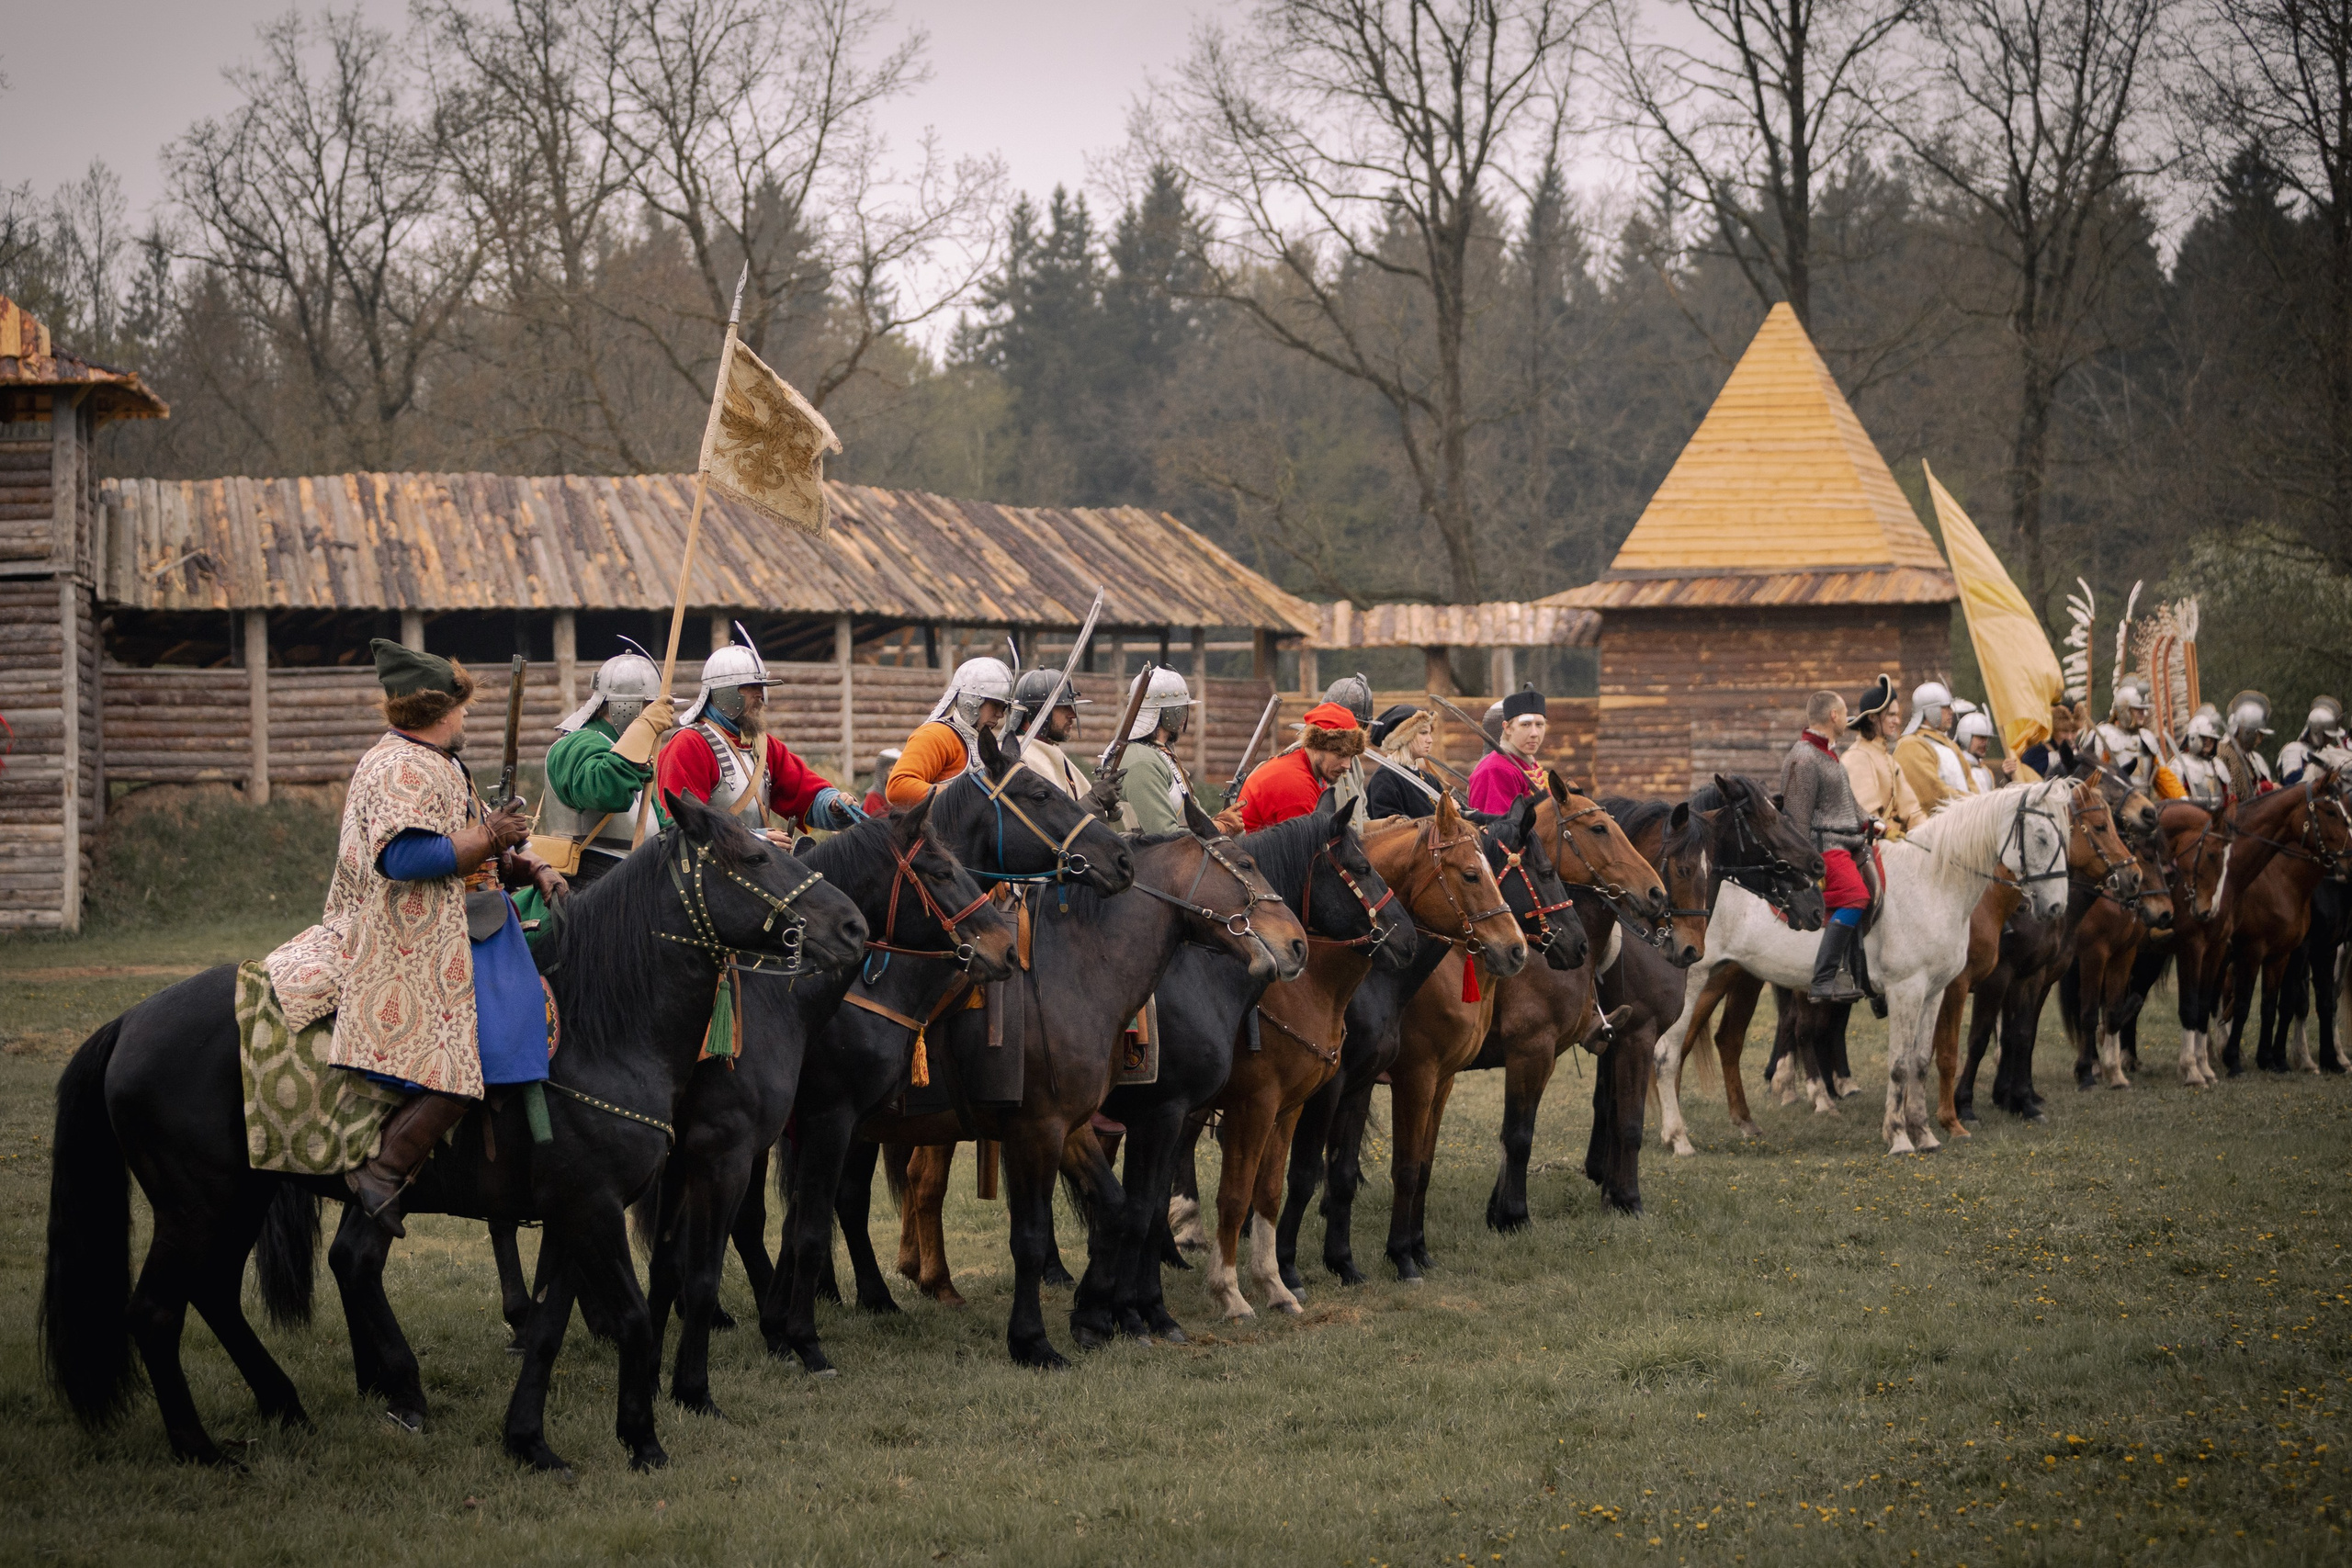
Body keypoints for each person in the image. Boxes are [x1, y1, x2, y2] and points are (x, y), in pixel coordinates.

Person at [265, 639, 564, 1237]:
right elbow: (405, 856)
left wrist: (523, 864)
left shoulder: (437, 761)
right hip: (403, 929)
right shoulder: (399, 765)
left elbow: (468, 851)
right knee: (474, 1044)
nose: (465, 717)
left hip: (455, 917)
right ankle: (383, 1171)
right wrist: (488, 833)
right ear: (434, 709)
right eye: (459, 707)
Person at [657, 626, 862, 837]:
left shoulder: (763, 746)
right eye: (750, 686)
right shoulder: (689, 745)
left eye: (761, 687)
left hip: (755, 865)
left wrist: (833, 804)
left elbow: (803, 792)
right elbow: (684, 829)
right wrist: (757, 838)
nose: (760, 695)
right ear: (724, 692)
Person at [525, 642, 673, 910]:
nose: (657, 719)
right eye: (648, 707)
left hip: (634, 878)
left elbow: (662, 827)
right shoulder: (578, 743)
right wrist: (644, 728)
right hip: (587, 885)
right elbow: (605, 791)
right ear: (626, 707)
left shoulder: (629, 752)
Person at [1779, 690, 1871, 1001]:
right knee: (1857, 896)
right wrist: (1805, 866)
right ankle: (1823, 979)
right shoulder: (1804, 758)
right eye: (1844, 713)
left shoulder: (1829, 755)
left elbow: (1846, 806)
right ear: (1833, 716)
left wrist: (1871, 822)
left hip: (1846, 841)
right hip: (1824, 847)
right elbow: (1797, 818)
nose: (1848, 719)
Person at [887, 657, 1015, 807]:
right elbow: (898, 787)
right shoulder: (936, 735)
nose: (1000, 714)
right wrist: (958, 797)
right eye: (995, 704)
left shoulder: (979, 740)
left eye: (1004, 708)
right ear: (972, 700)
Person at [1010, 668, 1121, 815]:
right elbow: (1050, 822)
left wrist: (1102, 808)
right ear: (1039, 710)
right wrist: (1095, 801)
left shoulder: (1048, 750)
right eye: (1063, 707)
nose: (1072, 715)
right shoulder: (1019, 756)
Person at [1237, 703, 1365, 829]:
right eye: (1340, 754)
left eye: (1352, 756)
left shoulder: (1307, 767)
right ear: (1316, 745)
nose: (1347, 765)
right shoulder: (1296, 785)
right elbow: (1307, 848)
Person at [1116, 667, 1204, 834]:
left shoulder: (1159, 753)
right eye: (1182, 708)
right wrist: (1218, 829)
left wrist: (1219, 824)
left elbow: (1195, 815)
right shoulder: (1142, 761)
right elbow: (1163, 834)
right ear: (1174, 713)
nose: (1185, 714)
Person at [1841, 674, 1928, 838]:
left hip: (1897, 845)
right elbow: (1867, 818)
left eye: (1897, 714)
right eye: (1891, 715)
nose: (1897, 720)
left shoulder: (1888, 759)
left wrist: (1931, 836)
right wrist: (1889, 835)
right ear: (1873, 717)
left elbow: (1912, 811)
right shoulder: (1856, 757)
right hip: (1873, 850)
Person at [1894, 680, 1974, 810]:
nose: (1951, 712)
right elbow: (1933, 793)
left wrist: (1978, 804)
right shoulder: (1911, 745)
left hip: (1963, 821)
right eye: (1945, 707)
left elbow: (1970, 783)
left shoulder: (1950, 745)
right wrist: (1971, 803)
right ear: (1929, 711)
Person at [1467, 685, 1548, 813]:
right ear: (1507, 728)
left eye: (1539, 725)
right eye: (1525, 725)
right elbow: (1499, 829)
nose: (1534, 733)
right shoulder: (1496, 770)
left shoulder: (1527, 761)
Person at [1363, 704, 1442, 819]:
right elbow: (1393, 830)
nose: (1430, 740)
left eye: (1430, 733)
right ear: (1404, 738)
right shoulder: (1385, 779)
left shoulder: (1429, 780)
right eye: (1423, 733)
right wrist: (1442, 816)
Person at [2218, 690, 2276, 801]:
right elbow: (2231, 793)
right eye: (2259, 734)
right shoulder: (2223, 753)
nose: (2261, 739)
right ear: (2248, 732)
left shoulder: (2249, 757)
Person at [2277, 697, 2346, 784]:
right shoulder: (2293, 750)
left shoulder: (2329, 750)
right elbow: (2293, 782)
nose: (2331, 739)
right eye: (2328, 735)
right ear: (2317, 732)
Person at [2174, 708, 2226, 807]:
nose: (2208, 741)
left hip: (2218, 818)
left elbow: (2227, 797)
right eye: (2203, 737)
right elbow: (2175, 800)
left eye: (2212, 738)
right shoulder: (2179, 763)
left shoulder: (2218, 765)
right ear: (2193, 737)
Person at [2021, 702, 2082, 780]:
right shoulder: (2035, 755)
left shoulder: (2079, 752)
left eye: (2074, 731)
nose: (2070, 737)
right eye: (2064, 731)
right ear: (2054, 730)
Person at [1955, 707, 2006, 793]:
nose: (1985, 743)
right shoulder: (1958, 767)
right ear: (1966, 737)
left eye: (1987, 738)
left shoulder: (1985, 770)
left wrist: (2007, 778)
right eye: (1981, 737)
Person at [864, 747, 901, 818]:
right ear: (883, 772)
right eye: (891, 770)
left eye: (898, 770)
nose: (895, 773)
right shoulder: (873, 797)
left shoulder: (903, 796)